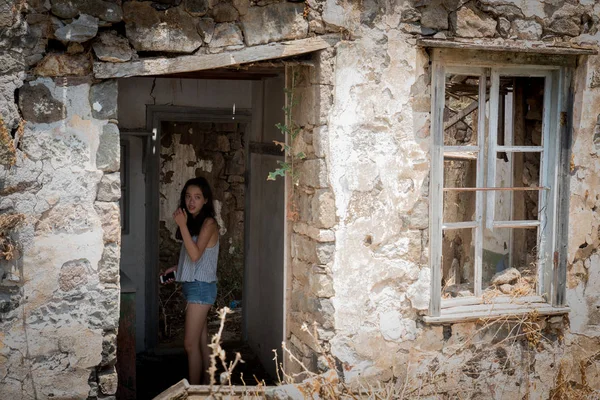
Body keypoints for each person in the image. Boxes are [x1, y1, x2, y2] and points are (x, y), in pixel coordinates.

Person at [160, 177, 219, 385]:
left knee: (190, 345)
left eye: (197, 197)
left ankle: (194, 392)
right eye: (187, 197)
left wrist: (182, 225)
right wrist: (177, 269)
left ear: (205, 200)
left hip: (201, 289)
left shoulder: (209, 223)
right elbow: (197, 261)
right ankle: (206, 388)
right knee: (201, 343)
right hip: (193, 286)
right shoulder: (194, 223)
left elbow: (195, 255)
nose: (191, 202)